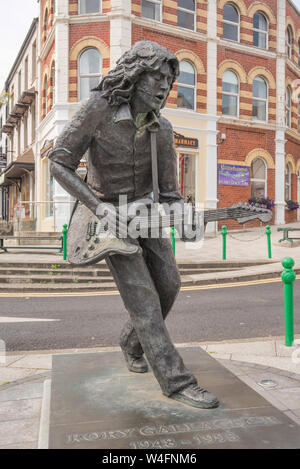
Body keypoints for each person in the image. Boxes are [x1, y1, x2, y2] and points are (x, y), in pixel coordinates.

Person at [49, 40, 219, 409]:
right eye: (156, 77)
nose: (163, 87)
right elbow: (59, 163)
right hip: (105, 217)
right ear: (135, 74)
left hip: (144, 215)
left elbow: (170, 193)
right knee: (143, 297)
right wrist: (97, 206)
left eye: (169, 81)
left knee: (169, 285)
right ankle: (176, 381)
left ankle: (131, 343)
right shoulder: (98, 109)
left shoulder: (164, 129)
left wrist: (186, 218)